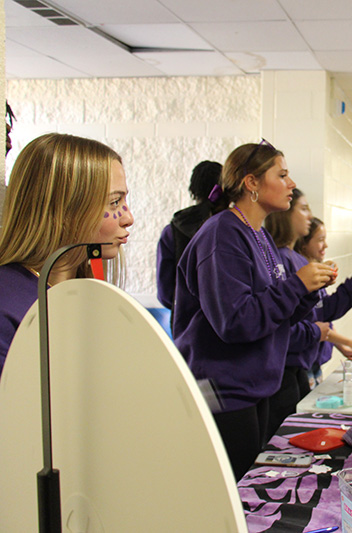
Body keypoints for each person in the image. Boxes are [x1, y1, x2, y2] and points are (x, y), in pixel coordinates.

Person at [172, 140, 336, 480]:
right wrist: (296, 285)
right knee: (234, 490)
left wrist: (307, 291)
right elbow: (234, 322)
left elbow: (274, 318)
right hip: (224, 390)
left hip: (255, 385)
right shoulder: (222, 235)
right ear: (252, 183)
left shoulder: (258, 235)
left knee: (254, 483)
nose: (291, 184)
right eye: (283, 175)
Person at [0, 133, 134, 376]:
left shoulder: (85, 295)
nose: (128, 218)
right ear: (65, 209)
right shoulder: (8, 303)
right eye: (114, 202)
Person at [264, 192, 352, 435]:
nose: (310, 215)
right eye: (303, 208)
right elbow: (299, 320)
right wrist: (321, 332)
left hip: (300, 364)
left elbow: (319, 312)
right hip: (286, 366)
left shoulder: (294, 260)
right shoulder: (282, 260)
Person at [296, 216, 352, 388]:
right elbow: (313, 321)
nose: (326, 246)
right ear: (304, 243)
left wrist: (341, 346)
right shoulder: (300, 276)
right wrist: (347, 342)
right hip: (301, 363)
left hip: (314, 361)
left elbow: (324, 314)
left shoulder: (315, 272)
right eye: (320, 240)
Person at [156, 160, 226, 311]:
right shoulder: (230, 228)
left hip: (185, 325)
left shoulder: (171, 231)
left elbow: (164, 293)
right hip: (224, 323)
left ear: (193, 189)